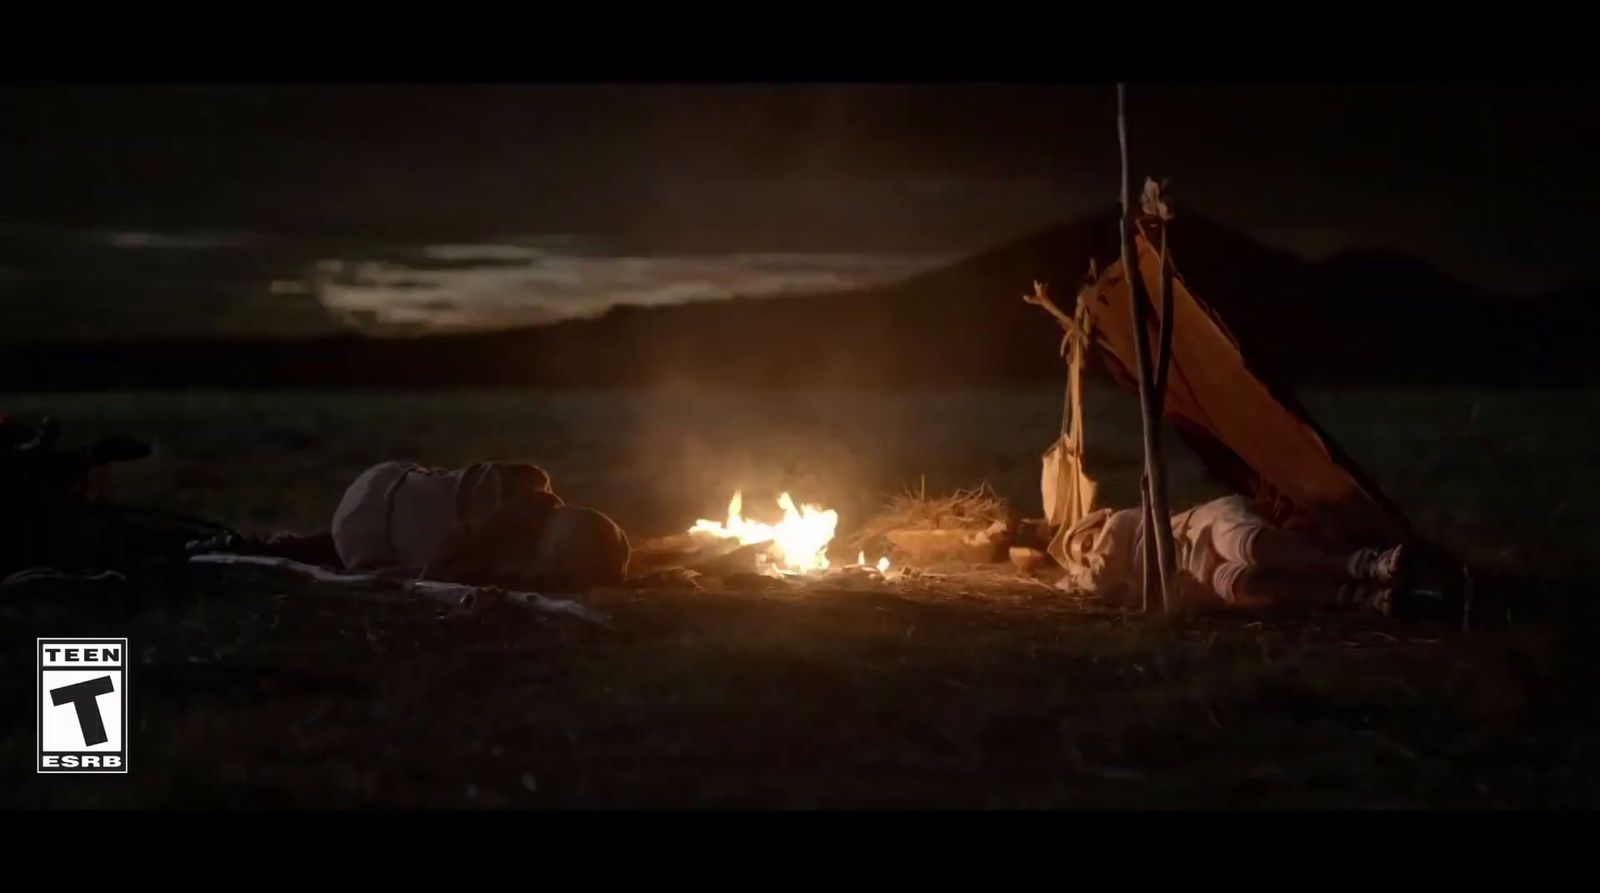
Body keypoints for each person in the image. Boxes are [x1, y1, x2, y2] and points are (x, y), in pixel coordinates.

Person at [194, 460, 630, 592]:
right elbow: (439, 571)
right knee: (377, 553)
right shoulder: (491, 560)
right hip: (366, 539)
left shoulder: (524, 479)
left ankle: (257, 546)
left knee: (390, 533)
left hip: (379, 479)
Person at [1057, 493, 1451, 618]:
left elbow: (1101, 575)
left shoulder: (1120, 524)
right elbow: (1098, 581)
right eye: (1082, 556)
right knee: (1244, 584)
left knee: (1247, 547)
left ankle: (1365, 563)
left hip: (1203, 528)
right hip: (1194, 579)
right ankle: (1360, 597)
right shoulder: (1108, 584)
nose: (1090, 553)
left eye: (1086, 542)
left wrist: (1071, 579)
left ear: (1096, 526)